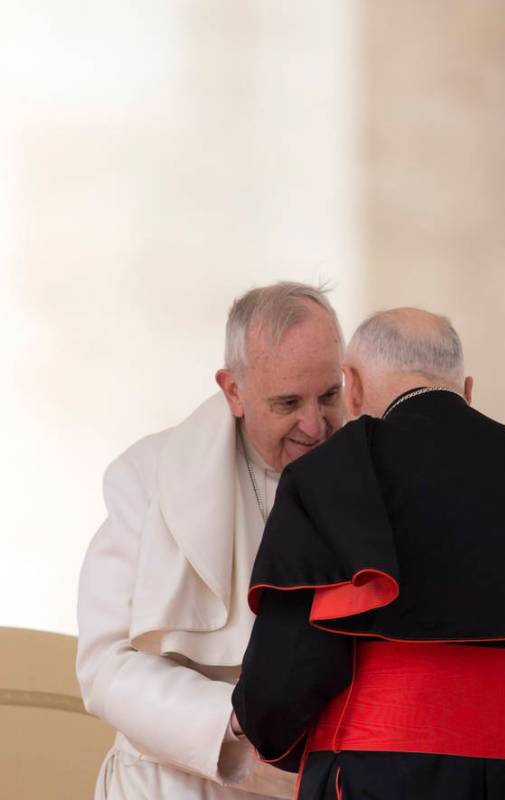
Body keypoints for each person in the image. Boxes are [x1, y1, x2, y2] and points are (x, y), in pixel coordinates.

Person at [233, 308, 505, 800]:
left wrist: (258, 721)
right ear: (465, 389)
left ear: (352, 386)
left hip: (377, 778)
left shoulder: (333, 474)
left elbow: (289, 670)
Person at [76, 282, 347, 799]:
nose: (315, 426)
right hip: (171, 784)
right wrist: (238, 723)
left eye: (329, 395)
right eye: (288, 402)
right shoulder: (149, 478)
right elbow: (104, 665)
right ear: (234, 391)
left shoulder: (369, 473)